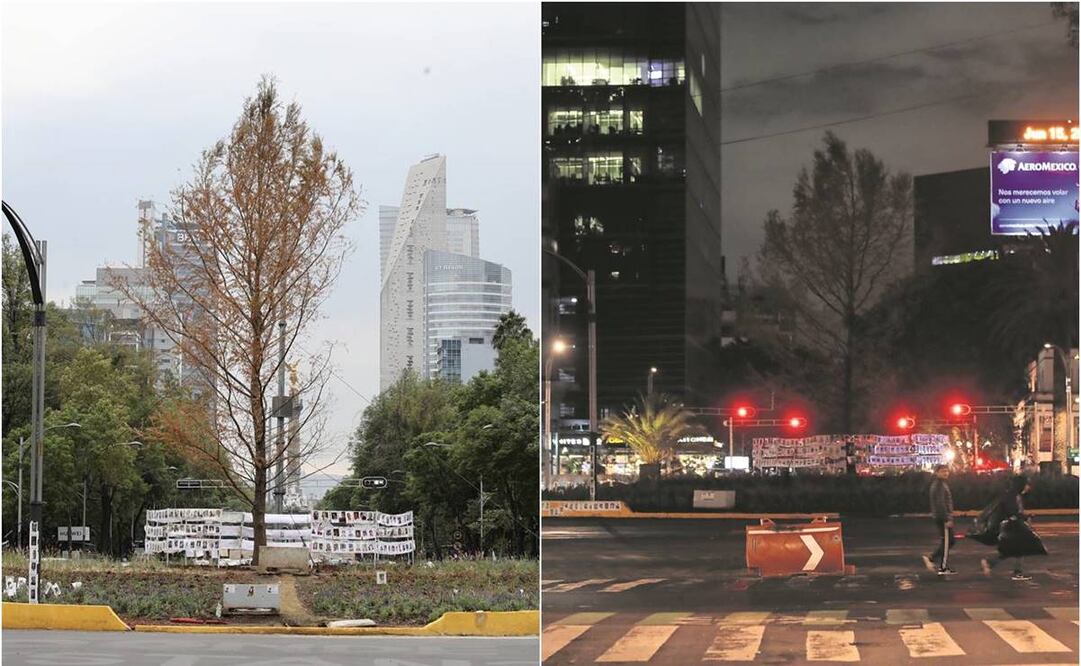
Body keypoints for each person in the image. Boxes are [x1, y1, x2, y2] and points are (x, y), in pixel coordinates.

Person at [981, 475, 1034, 581]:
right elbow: (1012, 512)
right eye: (1027, 485)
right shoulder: (1013, 496)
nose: (1029, 487)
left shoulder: (1015, 495)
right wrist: (1024, 517)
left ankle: (991, 563)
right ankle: (1017, 572)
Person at [923, 464, 956, 575]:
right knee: (948, 541)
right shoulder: (938, 485)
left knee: (948, 541)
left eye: (947, 471)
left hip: (941, 516)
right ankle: (940, 565)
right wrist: (947, 519)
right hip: (942, 517)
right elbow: (940, 504)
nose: (946, 473)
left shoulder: (940, 484)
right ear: (936, 472)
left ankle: (936, 561)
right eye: (943, 471)